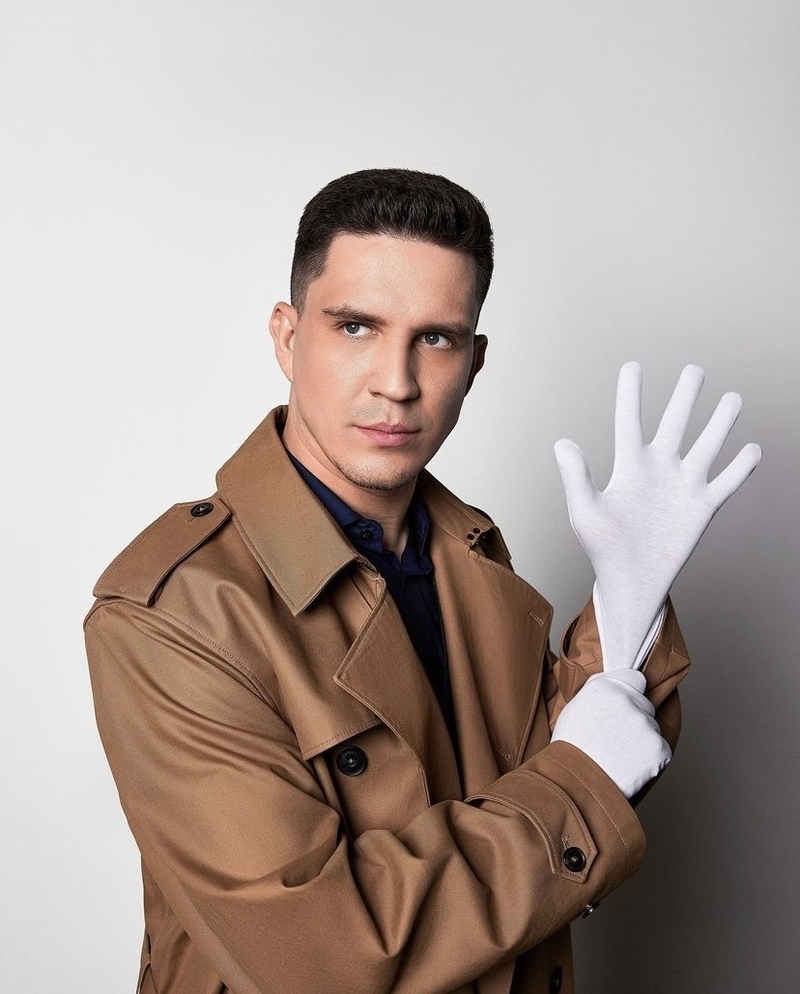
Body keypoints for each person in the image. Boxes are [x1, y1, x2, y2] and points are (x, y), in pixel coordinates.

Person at [85, 169, 760, 994]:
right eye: (356, 327)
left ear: (474, 363)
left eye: (436, 338)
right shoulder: (172, 613)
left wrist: (629, 597)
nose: (397, 382)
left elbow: (574, 768)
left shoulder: (467, 551)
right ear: (288, 338)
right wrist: (582, 777)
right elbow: (326, 959)